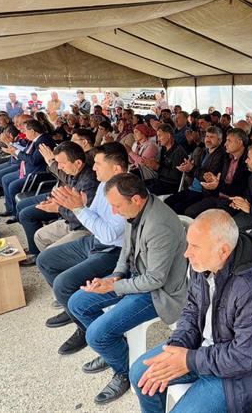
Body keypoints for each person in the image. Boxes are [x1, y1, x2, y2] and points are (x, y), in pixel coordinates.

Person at [130, 209, 252, 413]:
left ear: (223, 251)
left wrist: (189, 360)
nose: (186, 253)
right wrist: (178, 345)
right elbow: (191, 309)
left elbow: (246, 356)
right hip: (200, 351)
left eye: (195, 246)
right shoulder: (203, 265)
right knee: (140, 374)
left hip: (236, 376)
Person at [67, 173, 189, 405]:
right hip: (135, 278)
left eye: (116, 206)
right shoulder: (135, 210)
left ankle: (123, 371)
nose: (114, 212)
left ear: (136, 199)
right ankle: (115, 350)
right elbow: (126, 249)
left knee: (96, 335)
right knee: (77, 303)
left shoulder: (159, 225)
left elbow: (155, 280)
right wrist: (116, 275)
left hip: (158, 293)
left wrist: (115, 286)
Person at [37, 143, 129, 330]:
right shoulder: (104, 185)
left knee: (63, 284)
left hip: (115, 252)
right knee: (45, 260)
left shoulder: (128, 192)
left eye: (98, 164)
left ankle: (87, 329)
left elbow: (109, 234)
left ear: (116, 169)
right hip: (96, 242)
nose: (93, 168)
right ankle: (71, 308)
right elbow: (92, 218)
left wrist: (78, 208)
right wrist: (73, 206)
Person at [17, 141, 99, 264]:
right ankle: (58, 265)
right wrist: (57, 202)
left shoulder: (89, 182)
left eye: (62, 163)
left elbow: (83, 217)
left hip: (85, 229)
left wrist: (58, 208)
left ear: (78, 163)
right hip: (70, 221)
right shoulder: (74, 172)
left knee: (48, 255)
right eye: (58, 163)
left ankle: (59, 265)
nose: (59, 167)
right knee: (40, 236)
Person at [183, 128, 251, 218]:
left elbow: (239, 189)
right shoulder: (226, 157)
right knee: (189, 212)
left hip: (234, 202)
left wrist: (217, 185)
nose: (225, 144)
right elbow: (215, 178)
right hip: (217, 196)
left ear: (239, 142)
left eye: (229, 141)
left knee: (207, 220)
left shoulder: (248, 161)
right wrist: (211, 178)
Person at [0, 119, 57, 218]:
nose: (23, 133)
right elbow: (25, 152)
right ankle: (10, 209)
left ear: (32, 131)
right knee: (5, 179)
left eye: (25, 130)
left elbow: (33, 160)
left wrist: (16, 152)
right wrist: (13, 150)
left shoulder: (44, 141)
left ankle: (16, 214)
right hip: (26, 169)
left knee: (13, 186)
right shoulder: (35, 140)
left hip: (37, 174)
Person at [165, 126, 225, 214]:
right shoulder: (204, 152)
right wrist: (187, 169)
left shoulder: (221, 155)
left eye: (212, 137)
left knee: (178, 208)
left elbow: (207, 177)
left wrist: (192, 168)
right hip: (192, 188)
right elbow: (194, 172)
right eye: (207, 136)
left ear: (220, 140)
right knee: (167, 202)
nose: (208, 139)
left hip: (203, 192)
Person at [144, 124, 189, 195]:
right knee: (139, 184)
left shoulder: (178, 152)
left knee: (143, 191)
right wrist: (152, 164)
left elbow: (176, 176)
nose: (158, 139)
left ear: (168, 135)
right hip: (160, 180)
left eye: (159, 136)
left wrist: (157, 167)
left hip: (170, 185)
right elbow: (161, 167)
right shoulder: (163, 149)